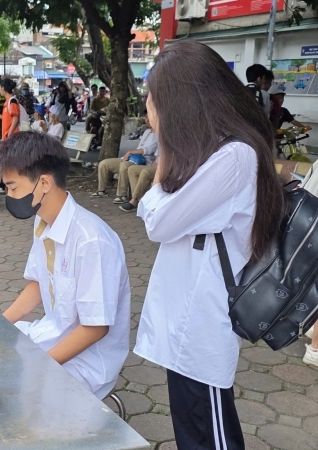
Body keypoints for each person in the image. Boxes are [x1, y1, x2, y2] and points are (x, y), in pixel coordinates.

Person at [135, 41, 285, 450]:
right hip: (186, 322)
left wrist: (164, 143)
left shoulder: (234, 157)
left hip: (200, 326)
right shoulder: (212, 152)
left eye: (155, 99)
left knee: (210, 437)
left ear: (183, 102)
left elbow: (158, 222)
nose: (149, 108)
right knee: (194, 432)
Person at [0, 131, 130, 400]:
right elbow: (38, 283)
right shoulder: (43, 220)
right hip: (51, 335)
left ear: (43, 183)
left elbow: (96, 327)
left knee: (6, 392)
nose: (9, 194)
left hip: (87, 361)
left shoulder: (91, 240)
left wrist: (39, 366)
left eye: (13, 187)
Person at [91, 116, 159, 204]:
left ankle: (122, 195)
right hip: (132, 158)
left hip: (142, 162)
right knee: (104, 164)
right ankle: (101, 190)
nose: (147, 120)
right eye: (146, 118)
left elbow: (149, 150)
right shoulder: (147, 131)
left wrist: (130, 152)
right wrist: (129, 154)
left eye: (150, 117)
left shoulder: (159, 135)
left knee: (124, 165)